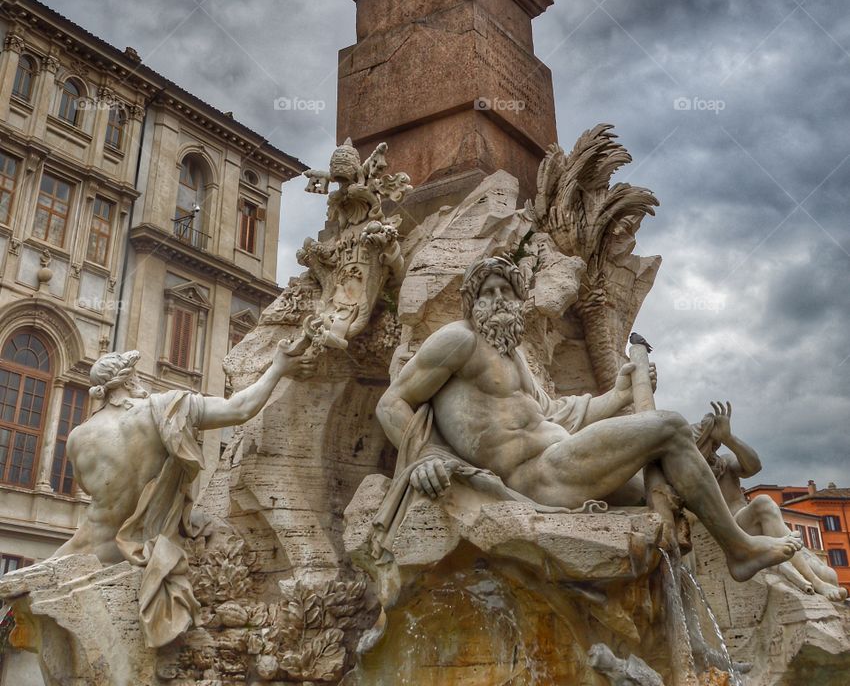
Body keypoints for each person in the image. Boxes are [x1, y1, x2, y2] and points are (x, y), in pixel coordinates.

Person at [376, 256, 801, 583]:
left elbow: (560, 414)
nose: (498, 300)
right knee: (669, 427)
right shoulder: (458, 341)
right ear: (471, 304)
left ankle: (745, 526)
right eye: (486, 292)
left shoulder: (514, 357)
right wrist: (425, 454)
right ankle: (740, 551)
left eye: (506, 290)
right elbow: (392, 402)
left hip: (563, 458)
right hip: (535, 476)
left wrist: (617, 395)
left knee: (665, 493)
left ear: (519, 301)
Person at [52, 337, 313, 647]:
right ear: (130, 379)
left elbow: (89, 489)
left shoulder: (79, 436)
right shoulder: (166, 408)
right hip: (145, 552)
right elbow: (240, 408)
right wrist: (278, 367)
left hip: (88, 551)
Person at [693, 400, 847, 601]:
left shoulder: (726, 462)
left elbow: (754, 466)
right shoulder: (693, 476)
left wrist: (729, 438)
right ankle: (816, 584)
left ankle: (819, 579)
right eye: (708, 445)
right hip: (735, 532)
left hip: (761, 526)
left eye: (715, 445)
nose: (712, 451)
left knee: (832, 575)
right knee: (763, 502)